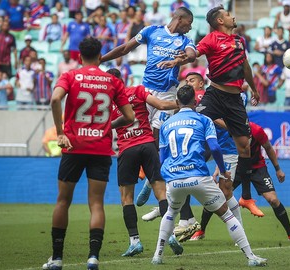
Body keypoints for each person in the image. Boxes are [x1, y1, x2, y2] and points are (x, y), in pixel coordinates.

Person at [41, 37, 135, 270]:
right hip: (101, 149)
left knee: (63, 201)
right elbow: (130, 117)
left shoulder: (70, 76)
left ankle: (57, 258)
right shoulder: (112, 81)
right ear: (100, 55)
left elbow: (54, 99)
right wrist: (106, 127)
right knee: (96, 204)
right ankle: (93, 257)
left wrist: (61, 133)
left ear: (79, 56)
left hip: (74, 146)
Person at [151, 85, 267, 267]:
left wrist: (168, 175)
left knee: (171, 213)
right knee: (227, 215)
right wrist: (223, 170)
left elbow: (162, 156)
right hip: (198, 177)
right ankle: (251, 257)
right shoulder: (204, 120)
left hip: (174, 178)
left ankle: (157, 255)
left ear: (177, 102)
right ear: (195, 102)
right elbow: (214, 147)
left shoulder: (166, 125)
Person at [194, 6, 264, 216]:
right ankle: (184, 169)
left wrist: (253, 86)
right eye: (227, 14)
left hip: (234, 99)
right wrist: (183, 56)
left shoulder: (239, 41)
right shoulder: (210, 38)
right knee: (194, 125)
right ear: (220, 21)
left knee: (245, 146)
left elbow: (245, 67)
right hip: (214, 94)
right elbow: (195, 52)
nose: (232, 16)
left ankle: (245, 196)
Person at [191, 121, 290, 244]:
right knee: (218, 196)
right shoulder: (231, 131)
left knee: (273, 200)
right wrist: (218, 170)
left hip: (257, 168)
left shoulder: (257, 130)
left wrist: (278, 169)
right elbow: (226, 153)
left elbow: (268, 147)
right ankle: (201, 230)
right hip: (238, 168)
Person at [106, 68, 178, 257]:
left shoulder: (107, 104)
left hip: (127, 149)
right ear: (122, 80)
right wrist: (182, 103)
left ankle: (135, 242)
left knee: (126, 198)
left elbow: (103, 127)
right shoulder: (137, 90)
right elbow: (161, 105)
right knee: (161, 193)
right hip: (147, 145)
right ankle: (169, 235)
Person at [101, 7, 196, 145]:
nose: (191, 27)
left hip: (167, 91)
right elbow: (125, 48)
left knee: (158, 132)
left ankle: (156, 164)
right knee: (142, 131)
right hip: (147, 90)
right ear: (179, 19)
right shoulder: (151, 30)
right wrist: (101, 59)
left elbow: (192, 56)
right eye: (189, 22)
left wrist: (179, 60)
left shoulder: (186, 40)